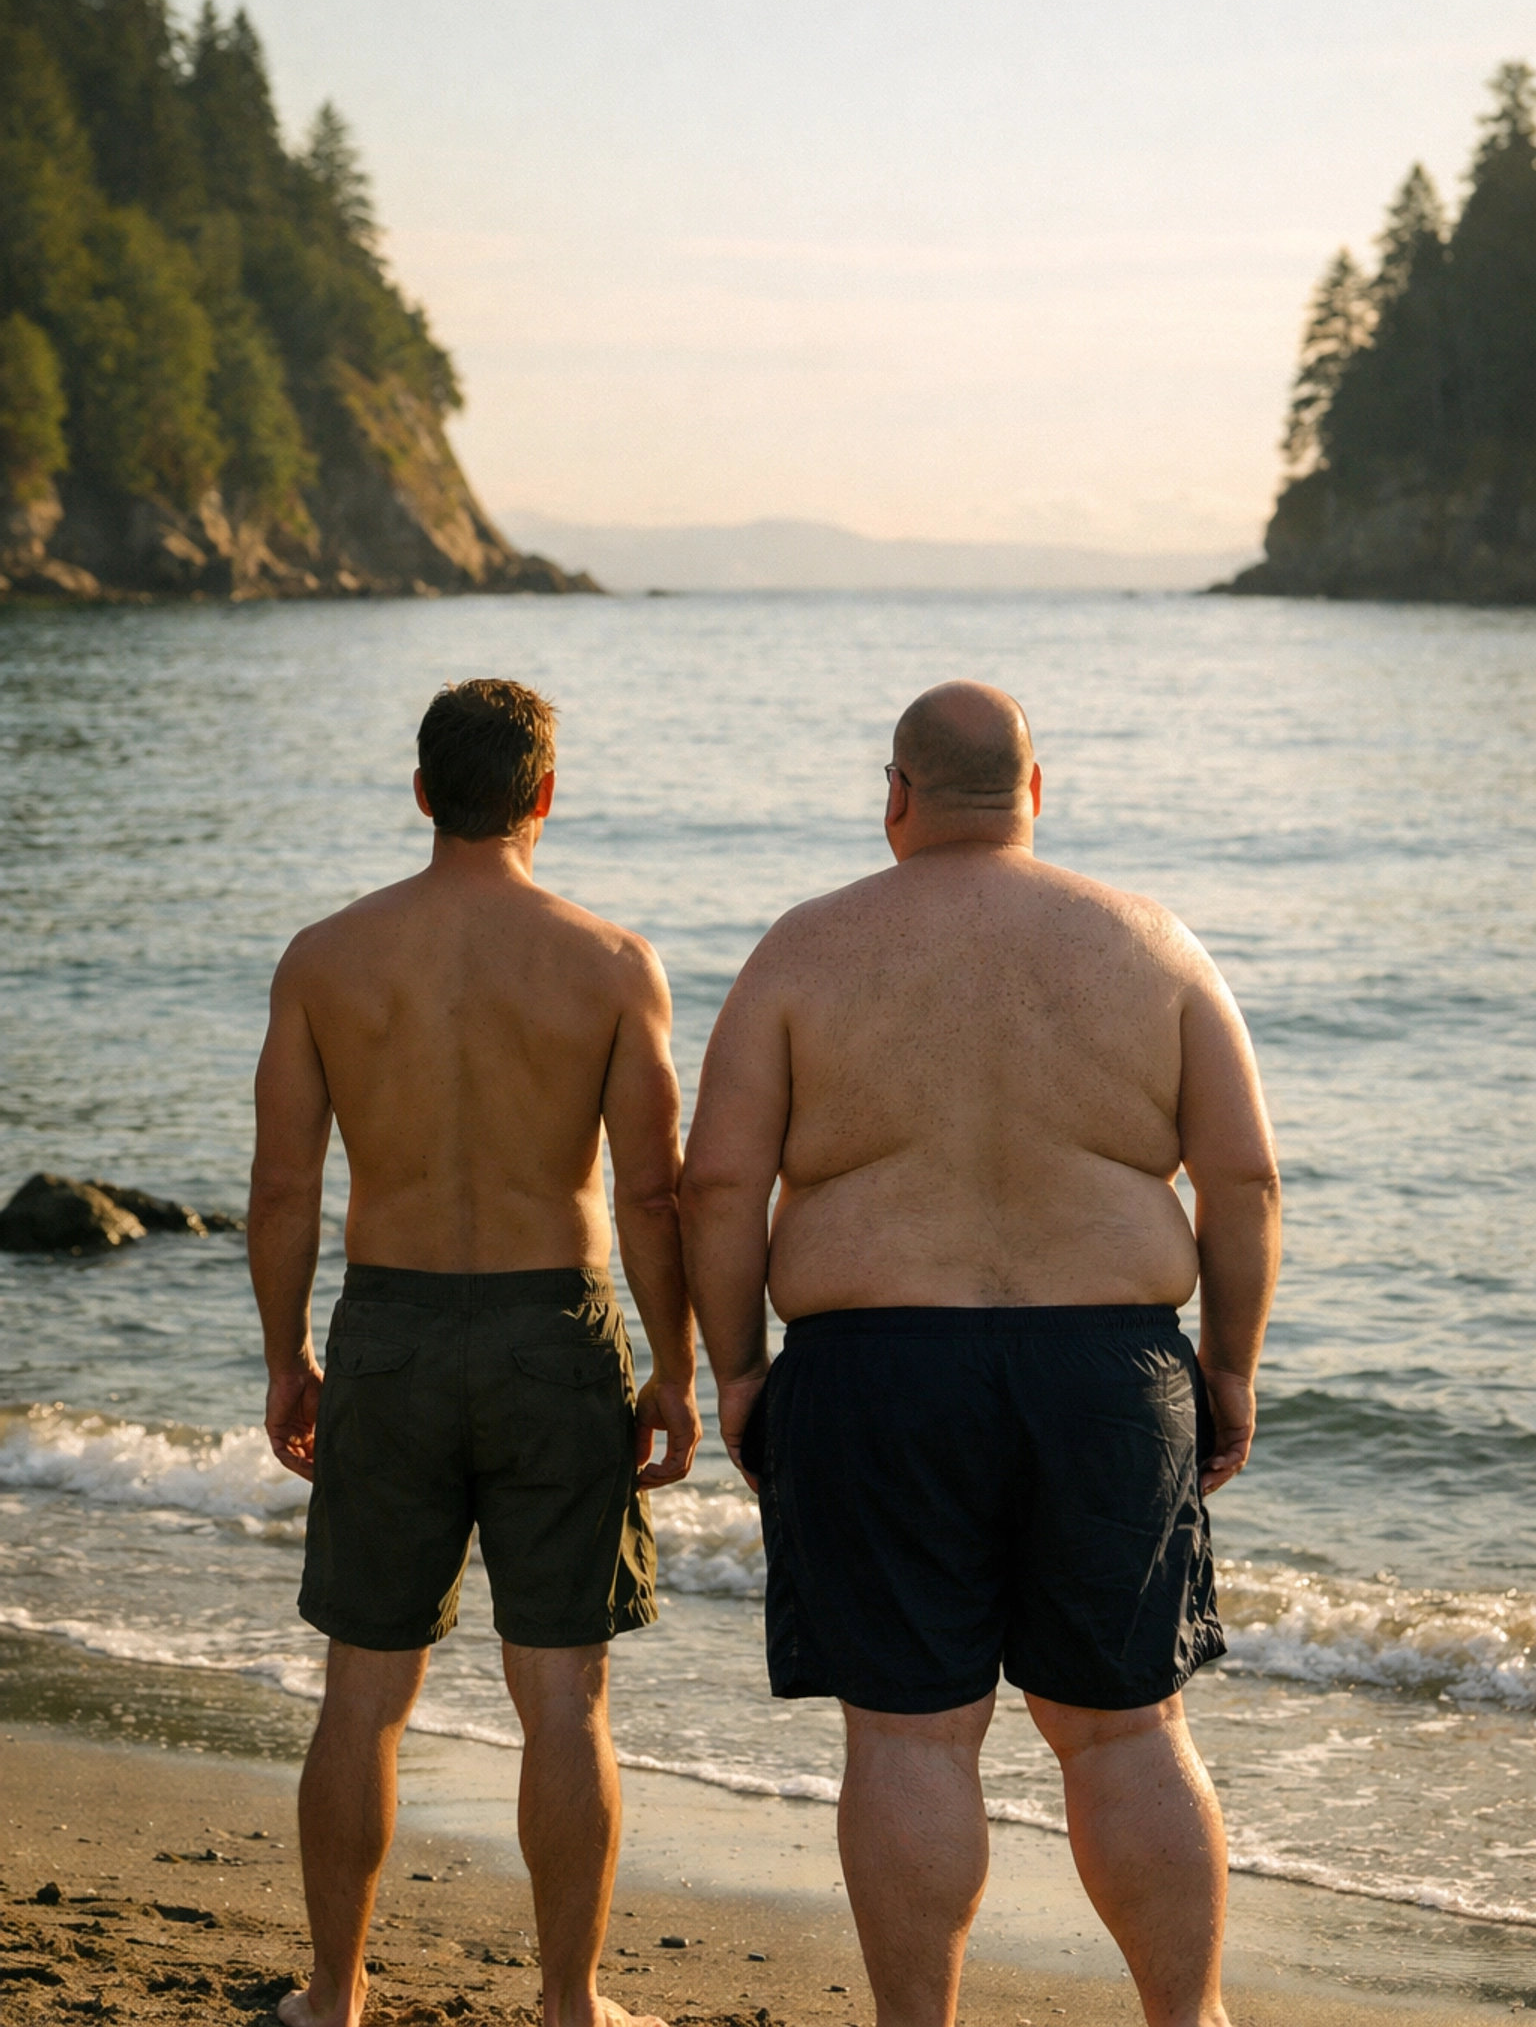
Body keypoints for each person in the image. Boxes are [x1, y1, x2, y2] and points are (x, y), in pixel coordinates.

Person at [680, 680, 1280, 2027]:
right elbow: (1244, 1187)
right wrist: (1229, 1369)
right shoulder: (1154, 944)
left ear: (895, 796)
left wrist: (737, 1370)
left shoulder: (805, 948)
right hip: (1107, 1371)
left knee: (909, 1735)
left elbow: (717, 1188)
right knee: (1127, 1733)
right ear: (1036, 791)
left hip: (875, 1365)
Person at [249, 678, 699, 2027]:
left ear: (423, 792)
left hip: (386, 1328)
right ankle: (571, 2006)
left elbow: (281, 1193)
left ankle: (335, 1996)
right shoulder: (610, 965)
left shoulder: (326, 960)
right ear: (545, 796)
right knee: (565, 1698)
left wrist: (287, 1360)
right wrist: (675, 1371)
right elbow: (654, 1197)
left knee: (364, 1693)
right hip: (552, 1337)